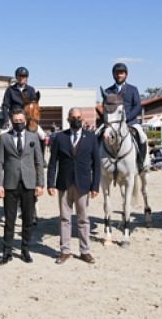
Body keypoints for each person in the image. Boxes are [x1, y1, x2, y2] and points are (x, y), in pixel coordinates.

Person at [47, 107, 100, 265]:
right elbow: (52, 163)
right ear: (68, 119)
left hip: (83, 184)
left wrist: (95, 186)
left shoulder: (91, 137)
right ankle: (65, 250)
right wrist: (50, 183)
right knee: (64, 218)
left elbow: (96, 164)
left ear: (82, 119)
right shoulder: (60, 137)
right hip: (64, 183)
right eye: (73, 117)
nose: (76, 120)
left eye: (79, 117)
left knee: (83, 219)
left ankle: (85, 251)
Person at [0, 108, 44, 265]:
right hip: (10, 183)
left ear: (25, 120)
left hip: (29, 184)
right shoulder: (4, 138)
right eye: (15, 121)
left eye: (21, 121)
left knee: (28, 220)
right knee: (10, 220)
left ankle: (25, 250)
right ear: (11, 121)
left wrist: (40, 183)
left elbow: (39, 161)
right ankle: (7, 252)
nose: (18, 123)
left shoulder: (33, 137)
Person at [101, 63, 149, 172]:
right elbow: (105, 109)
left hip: (130, 121)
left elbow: (137, 106)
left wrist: (126, 119)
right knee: (97, 135)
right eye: (117, 73)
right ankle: (94, 163)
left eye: (121, 73)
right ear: (113, 74)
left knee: (142, 136)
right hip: (112, 123)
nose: (119, 75)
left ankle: (141, 162)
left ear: (126, 74)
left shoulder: (133, 89)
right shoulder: (108, 91)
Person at [1, 66, 45, 139]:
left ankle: (41, 150)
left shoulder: (31, 90)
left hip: (27, 118)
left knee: (42, 135)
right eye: (19, 76)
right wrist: (6, 121)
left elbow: (33, 105)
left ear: (26, 78)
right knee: (2, 134)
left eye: (23, 76)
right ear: (16, 77)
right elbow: (5, 106)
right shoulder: (10, 90)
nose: (21, 78)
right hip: (14, 118)